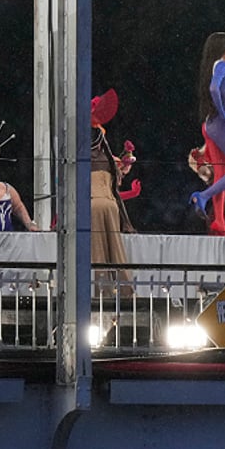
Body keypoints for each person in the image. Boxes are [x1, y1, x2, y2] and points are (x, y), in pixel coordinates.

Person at [189, 32, 225, 230]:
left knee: (221, 173)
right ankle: (202, 196)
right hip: (219, 124)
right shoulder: (221, 66)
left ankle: (219, 221)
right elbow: (214, 89)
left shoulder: (213, 67)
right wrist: (224, 113)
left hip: (211, 125)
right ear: (224, 49)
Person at [90, 89, 134, 297]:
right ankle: (124, 291)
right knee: (114, 250)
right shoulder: (103, 158)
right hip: (107, 206)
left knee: (100, 251)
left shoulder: (90, 158)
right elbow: (115, 192)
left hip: (97, 206)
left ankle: (104, 291)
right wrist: (127, 222)